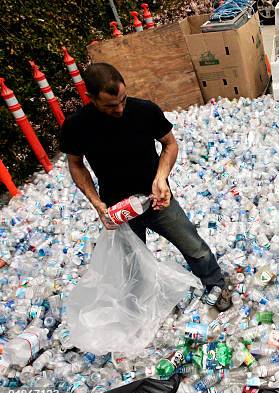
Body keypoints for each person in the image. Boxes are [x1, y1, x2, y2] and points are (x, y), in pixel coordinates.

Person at [59, 63, 232, 312]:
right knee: (133, 264)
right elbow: (76, 164)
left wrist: (161, 177)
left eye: (123, 99)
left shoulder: (143, 110)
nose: (119, 109)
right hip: (118, 207)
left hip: (156, 197)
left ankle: (215, 283)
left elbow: (169, 144)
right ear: (91, 98)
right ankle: (146, 303)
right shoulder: (76, 126)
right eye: (110, 105)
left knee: (194, 246)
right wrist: (96, 202)